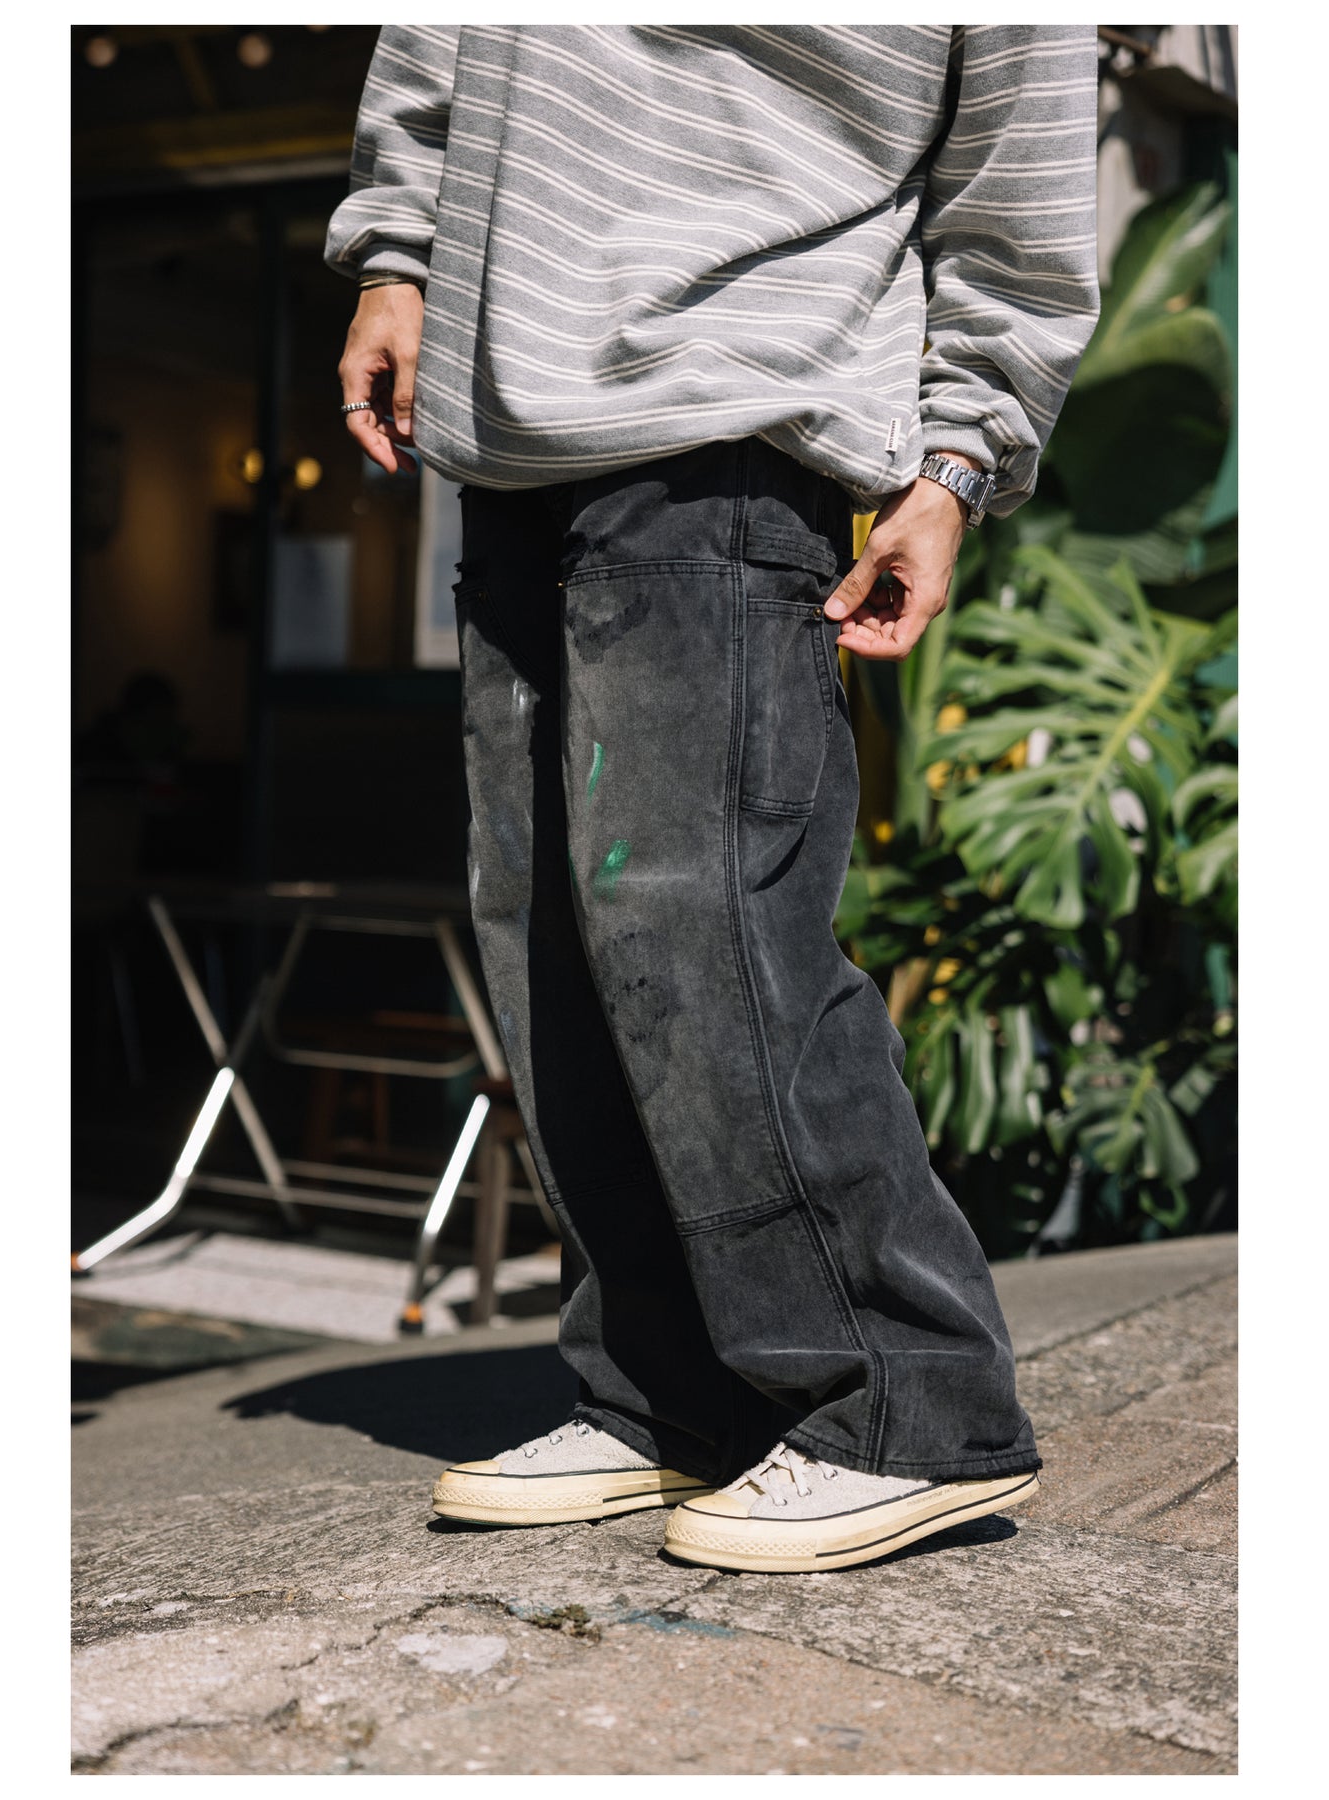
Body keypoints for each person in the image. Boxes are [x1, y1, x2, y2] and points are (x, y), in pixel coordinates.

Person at [326, 24, 1099, 1574]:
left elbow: (1014, 178)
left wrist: (956, 461)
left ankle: (909, 1404)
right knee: (551, 948)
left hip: (738, 417)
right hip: (505, 430)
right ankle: (665, 1393)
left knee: (706, 939)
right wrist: (397, 253)